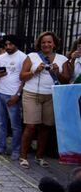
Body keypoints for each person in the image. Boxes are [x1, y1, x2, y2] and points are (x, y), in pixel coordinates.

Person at [19, 31, 70, 169]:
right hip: (31, 94)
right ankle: (23, 156)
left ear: (54, 44)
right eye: (43, 42)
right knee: (30, 126)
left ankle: (39, 156)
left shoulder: (62, 59)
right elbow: (22, 76)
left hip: (51, 95)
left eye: (49, 42)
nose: (46, 44)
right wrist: (34, 71)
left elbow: (66, 80)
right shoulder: (32, 56)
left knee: (45, 127)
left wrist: (57, 72)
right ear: (39, 44)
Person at [0, 35, 26, 160]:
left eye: (11, 44)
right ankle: (1, 147)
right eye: (6, 45)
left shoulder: (23, 57)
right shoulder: (1, 58)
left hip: (13, 95)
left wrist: (17, 95)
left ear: (16, 44)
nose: (8, 47)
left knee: (15, 125)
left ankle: (16, 150)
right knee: (1, 123)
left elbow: (24, 79)